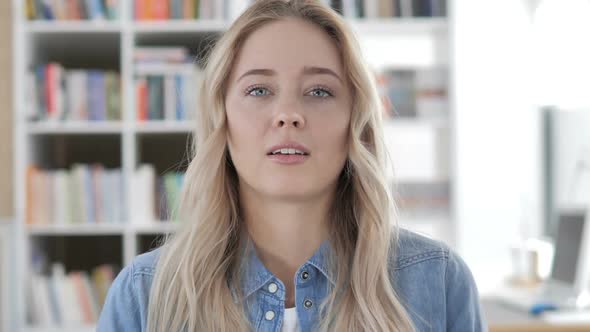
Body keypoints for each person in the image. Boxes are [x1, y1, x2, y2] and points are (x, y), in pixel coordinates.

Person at [97, 0, 486, 331]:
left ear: (355, 121)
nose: (288, 115)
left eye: (319, 91)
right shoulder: (143, 294)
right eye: (258, 90)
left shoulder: (438, 280)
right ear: (222, 117)